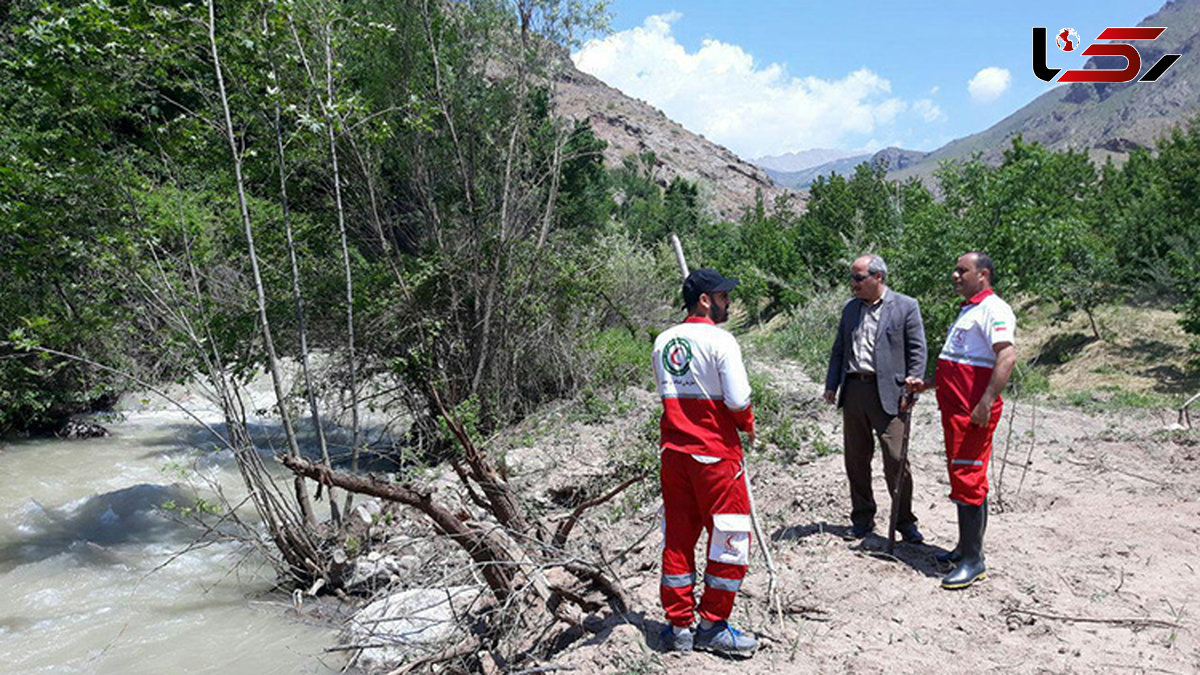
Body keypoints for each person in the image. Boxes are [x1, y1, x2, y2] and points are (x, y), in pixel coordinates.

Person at [652, 268, 758, 657]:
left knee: (678, 538)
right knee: (730, 538)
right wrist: (747, 425)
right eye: (722, 296)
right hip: (714, 455)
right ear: (704, 300)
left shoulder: (663, 341)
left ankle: (678, 626)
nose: (728, 302)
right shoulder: (721, 341)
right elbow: (738, 400)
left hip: (674, 455)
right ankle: (713, 625)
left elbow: (667, 393)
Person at [906, 252, 1017, 590]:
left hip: (973, 414)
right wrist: (928, 384)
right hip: (954, 412)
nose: (955, 275)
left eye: (962, 270)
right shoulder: (970, 310)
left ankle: (973, 561)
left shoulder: (995, 309)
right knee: (964, 477)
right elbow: (962, 362)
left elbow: (1006, 356)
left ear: (983, 274)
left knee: (968, 478)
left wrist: (986, 402)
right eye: (955, 269)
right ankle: (964, 549)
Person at [824, 254, 927, 542]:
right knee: (856, 459)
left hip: (892, 394)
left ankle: (904, 521)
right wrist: (832, 384)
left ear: (877, 277)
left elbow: (917, 350)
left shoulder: (906, 306)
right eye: (852, 278)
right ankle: (862, 518)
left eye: (858, 278)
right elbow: (839, 350)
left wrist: (912, 387)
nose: (852, 284)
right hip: (854, 389)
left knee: (896, 458)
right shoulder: (850, 309)